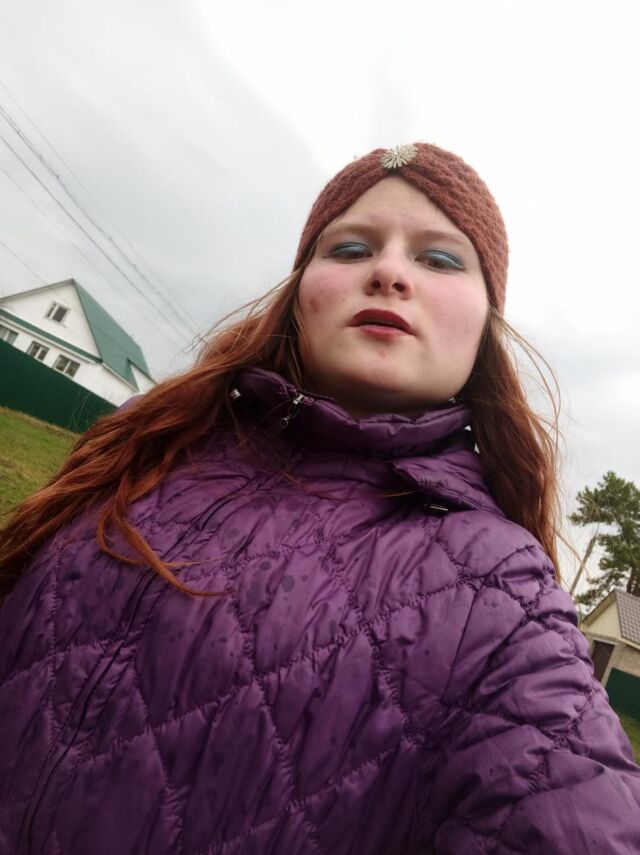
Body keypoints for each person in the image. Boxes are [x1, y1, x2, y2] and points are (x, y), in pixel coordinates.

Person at [0, 142, 638, 855]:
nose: (389, 272)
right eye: (351, 248)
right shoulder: (148, 444)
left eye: (440, 259)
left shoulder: (502, 591)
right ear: (299, 291)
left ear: (487, 326)